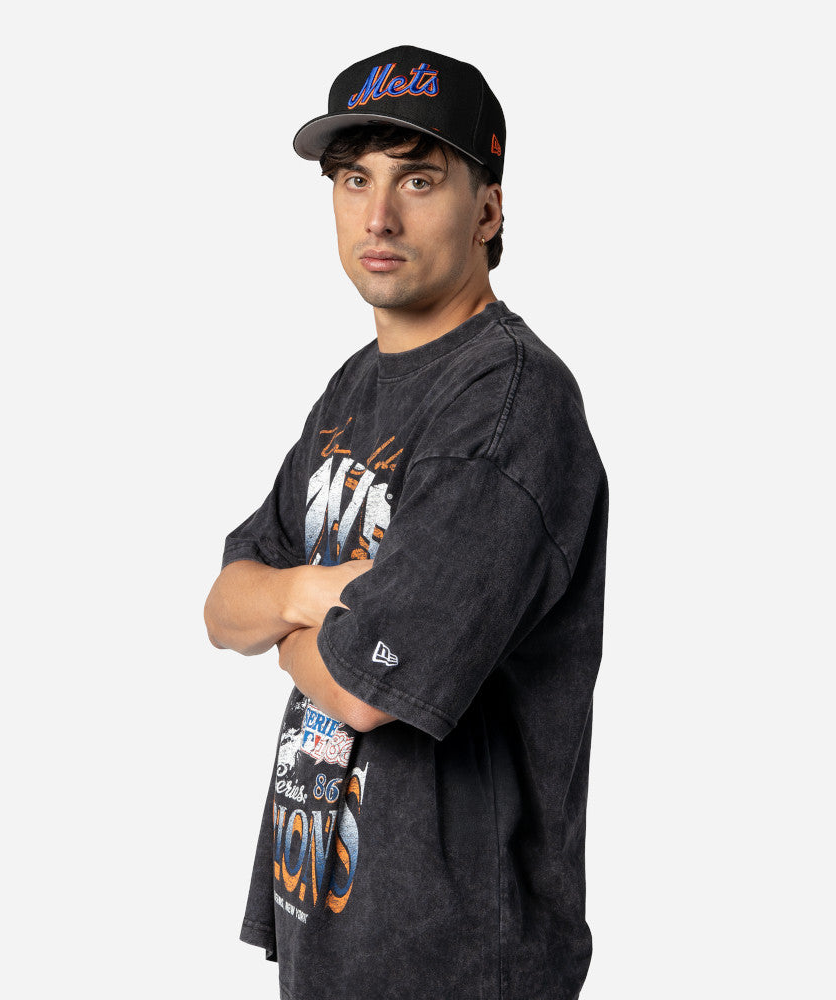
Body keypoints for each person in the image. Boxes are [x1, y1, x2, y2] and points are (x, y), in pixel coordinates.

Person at [204, 44, 609, 1000]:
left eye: (418, 180)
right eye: (355, 180)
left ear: (488, 210)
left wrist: (288, 628)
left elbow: (364, 689)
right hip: (333, 923)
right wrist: (315, 593)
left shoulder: (508, 403)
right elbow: (222, 606)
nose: (378, 216)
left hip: (453, 958)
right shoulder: (355, 386)